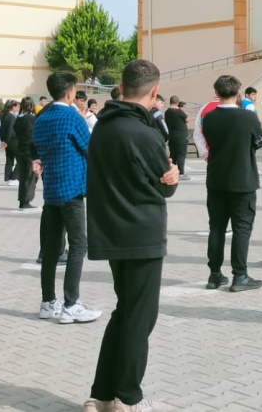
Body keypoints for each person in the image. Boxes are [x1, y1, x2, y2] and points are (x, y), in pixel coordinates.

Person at [85, 59, 180, 412]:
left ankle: (102, 394)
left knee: (125, 312)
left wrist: (165, 175)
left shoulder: (103, 127)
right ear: (154, 92)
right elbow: (165, 184)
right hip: (141, 233)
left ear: (122, 87)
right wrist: (170, 174)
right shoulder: (144, 132)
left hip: (111, 230)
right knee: (140, 317)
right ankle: (128, 396)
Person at [32, 72, 101, 325]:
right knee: (78, 245)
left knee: (51, 249)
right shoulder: (73, 117)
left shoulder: (42, 117)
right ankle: (71, 303)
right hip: (72, 189)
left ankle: (48, 302)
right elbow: (90, 148)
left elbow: (37, 148)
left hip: (51, 190)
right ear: (71, 92)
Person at [202, 75, 262, 292]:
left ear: (217, 93)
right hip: (243, 180)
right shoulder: (248, 117)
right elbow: (259, 141)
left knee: (217, 228)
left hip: (217, 179)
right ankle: (240, 274)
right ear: (238, 93)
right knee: (242, 229)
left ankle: (214, 274)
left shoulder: (208, 118)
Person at [15, 97, 38, 209]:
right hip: (30, 150)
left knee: (23, 176)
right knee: (30, 176)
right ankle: (26, 199)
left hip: (21, 148)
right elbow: (32, 134)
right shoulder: (31, 118)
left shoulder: (18, 118)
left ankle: (22, 199)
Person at [164, 96, 191, 181]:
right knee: (181, 155)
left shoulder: (167, 112)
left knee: (173, 154)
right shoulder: (179, 111)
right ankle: (181, 173)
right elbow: (187, 120)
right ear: (177, 103)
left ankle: (171, 170)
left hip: (171, 136)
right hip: (181, 136)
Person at [0, 100, 20, 187]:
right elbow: (10, 131)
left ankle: (8, 177)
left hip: (7, 140)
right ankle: (14, 177)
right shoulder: (11, 117)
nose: (19, 108)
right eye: (18, 106)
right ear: (13, 107)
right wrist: (6, 141)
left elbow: (2, 130)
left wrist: (3, 140)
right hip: (13, 140)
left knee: (9, 159)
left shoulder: (4, 115)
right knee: (21, 159)